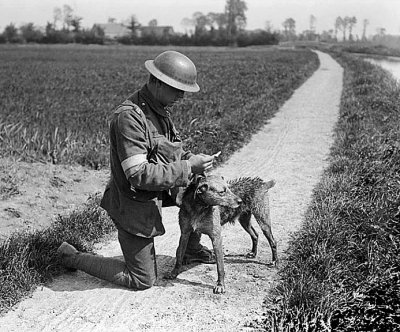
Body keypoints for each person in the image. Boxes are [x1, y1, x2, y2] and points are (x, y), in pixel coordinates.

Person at [57, 50, 217, 290]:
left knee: (198, 189)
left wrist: (190, 160)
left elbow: (169, 150)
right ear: (157, 82)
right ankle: (71, 257)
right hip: (133, 200)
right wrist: (186, 167)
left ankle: (191, 249)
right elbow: (138, 174)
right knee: (142, 280)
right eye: (177, 89)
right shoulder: (129, 118)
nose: (182, 96)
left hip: (154, 189)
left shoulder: (158, 109)